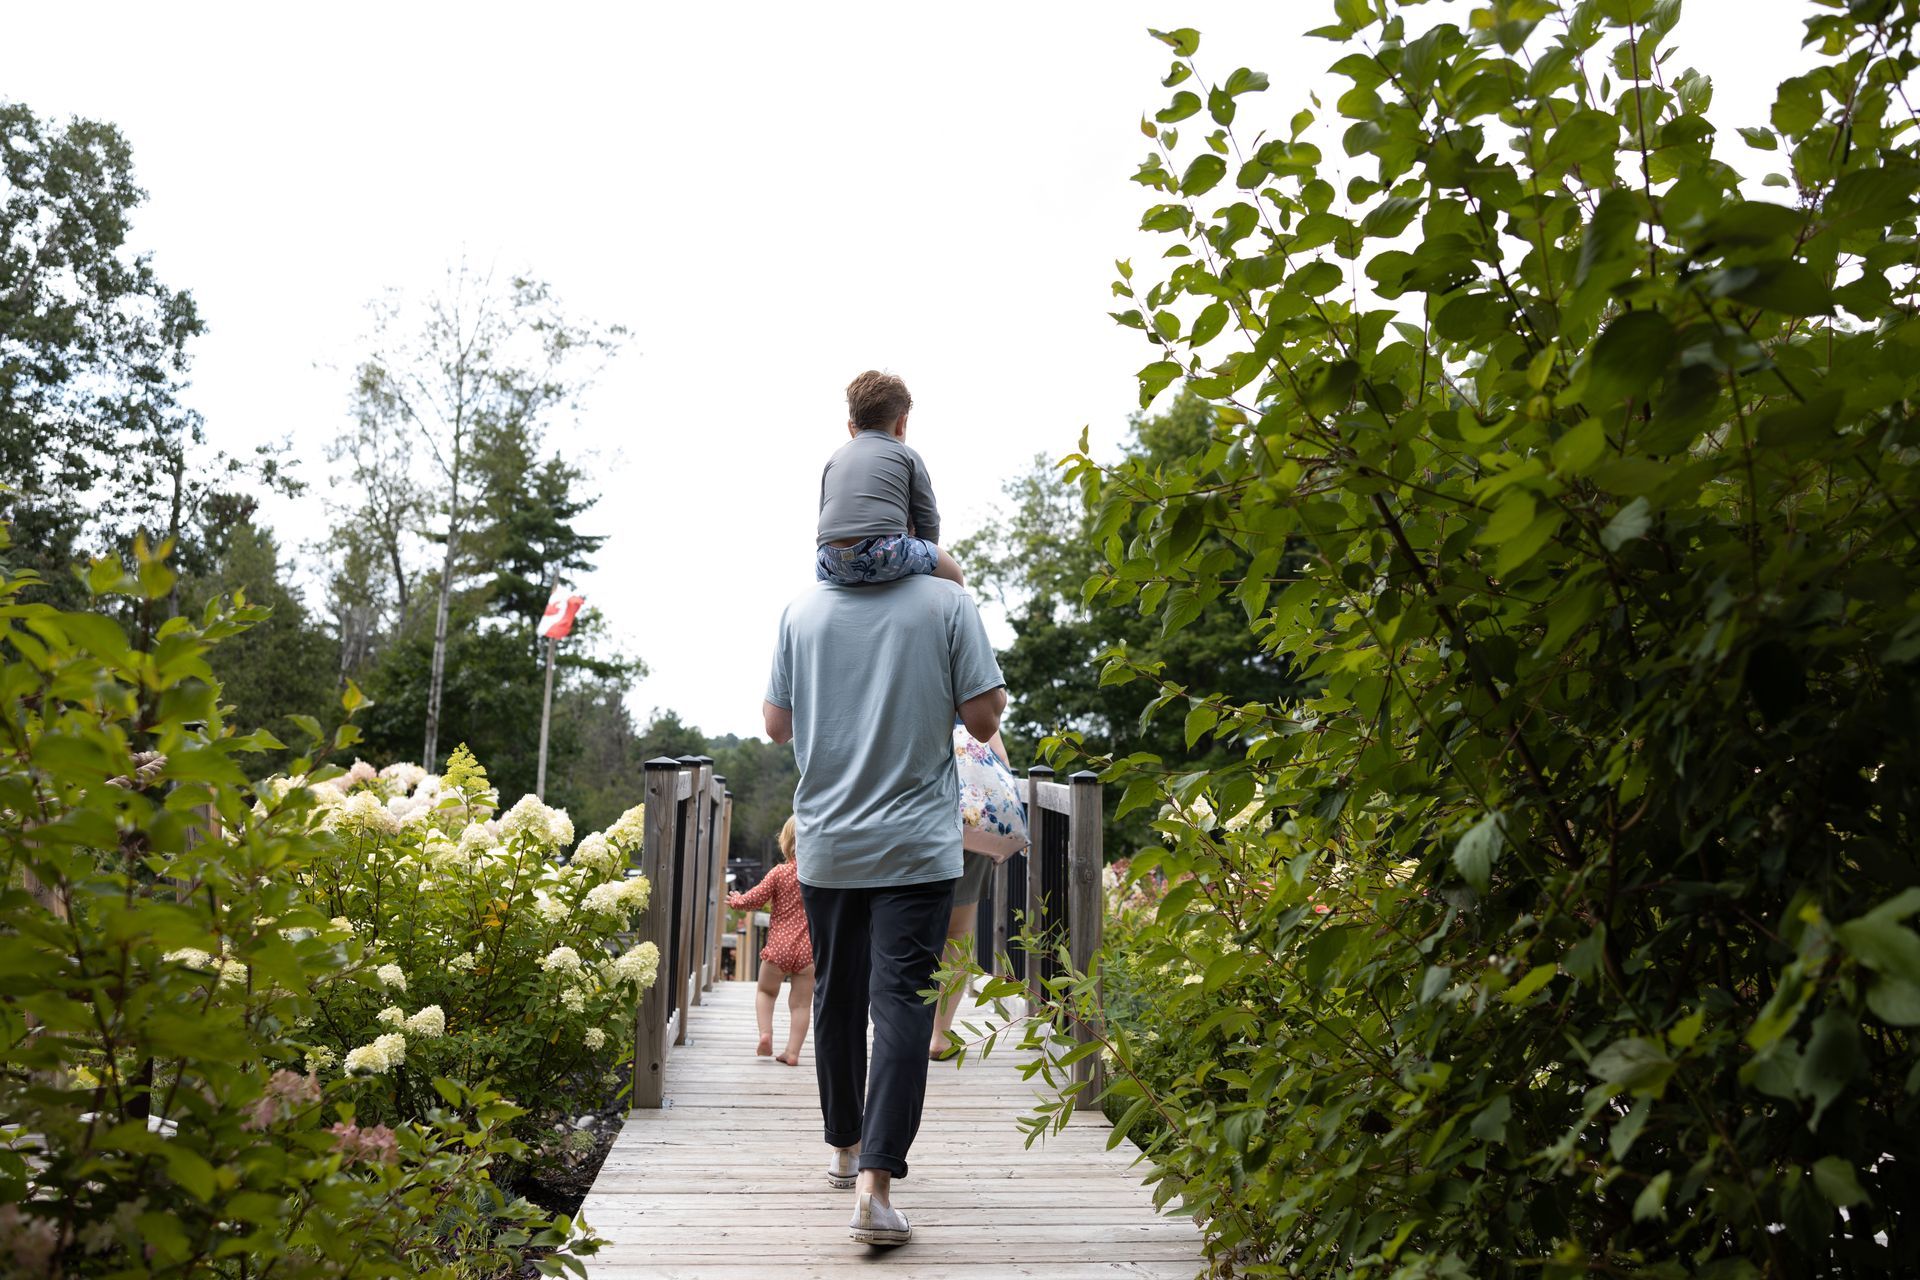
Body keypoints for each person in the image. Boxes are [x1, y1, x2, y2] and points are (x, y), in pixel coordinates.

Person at [764, 562, 1005, 1248]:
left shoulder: (802, 609)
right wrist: (955, 585)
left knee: (839, 990)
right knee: (900, 998)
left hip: (829, 842)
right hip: (915, 844)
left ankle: (844, 1148)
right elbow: (984, 721)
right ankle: (876, 1188)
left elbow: (776, 726)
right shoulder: (946, 603)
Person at [815, 370, 967, 587]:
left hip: (830, 561)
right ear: (901, 423)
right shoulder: (907, 455)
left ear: (851, 427)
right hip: (884, 555)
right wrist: (925, 549)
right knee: (954, 574)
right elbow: (928, 517)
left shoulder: (834, 460)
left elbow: (824, 519)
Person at [931, 727, 1023, 1061]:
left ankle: (903, 1027)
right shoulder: (971, 703)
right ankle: (939, 1035)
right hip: (967, 830)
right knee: (956, 936)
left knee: (904, 928)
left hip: (911, 824)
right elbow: (1000, 764)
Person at [726, 816, 814, 1066]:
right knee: (801, 1005)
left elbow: (755, 898)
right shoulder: (819, 876)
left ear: (786, 844)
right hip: (809, 951)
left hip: (778, 947)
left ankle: (766, 1034)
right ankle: (793, 1052)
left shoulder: (780, 873)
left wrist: (736, 900)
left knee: (766, 991)